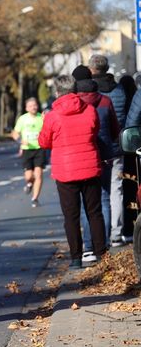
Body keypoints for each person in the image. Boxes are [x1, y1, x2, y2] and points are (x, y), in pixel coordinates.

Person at [38, 74, 106, 268]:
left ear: (58, 92)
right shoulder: (91, 110)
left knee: (71, 216)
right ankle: (102, 253)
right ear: (74, 90)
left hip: (65, 171)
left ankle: (76, 258)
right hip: (90, 166)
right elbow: (94, 131)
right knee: (94, 212)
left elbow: (44, 142)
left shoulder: (52, 116)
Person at [72, 65, 119, 262]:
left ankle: (89, 247)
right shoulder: (106, 101)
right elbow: (115, 129)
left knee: (86, 204)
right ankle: (104, 244)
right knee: (105, 200)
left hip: (82, 155)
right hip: (105, 155)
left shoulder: (75, 103)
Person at [89, 55, 128, 247]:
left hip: (97, 146)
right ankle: (116, 231)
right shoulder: (119, 89)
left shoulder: (91, 93)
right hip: (117, 145)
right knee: (116, 189)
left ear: (92, 68)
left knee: (99, 192)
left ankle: (100, 234)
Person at [11, 97, 44, 207]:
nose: (33, 107)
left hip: (39, 149)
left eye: (35, 105)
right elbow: (15, 133)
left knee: (38, 174)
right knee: (29, 176)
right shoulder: (23, 119)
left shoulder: (41, 118)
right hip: (27, 150)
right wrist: (21, 141)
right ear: (26, 108)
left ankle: (35, 198)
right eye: (30, 106)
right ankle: (29, 183)